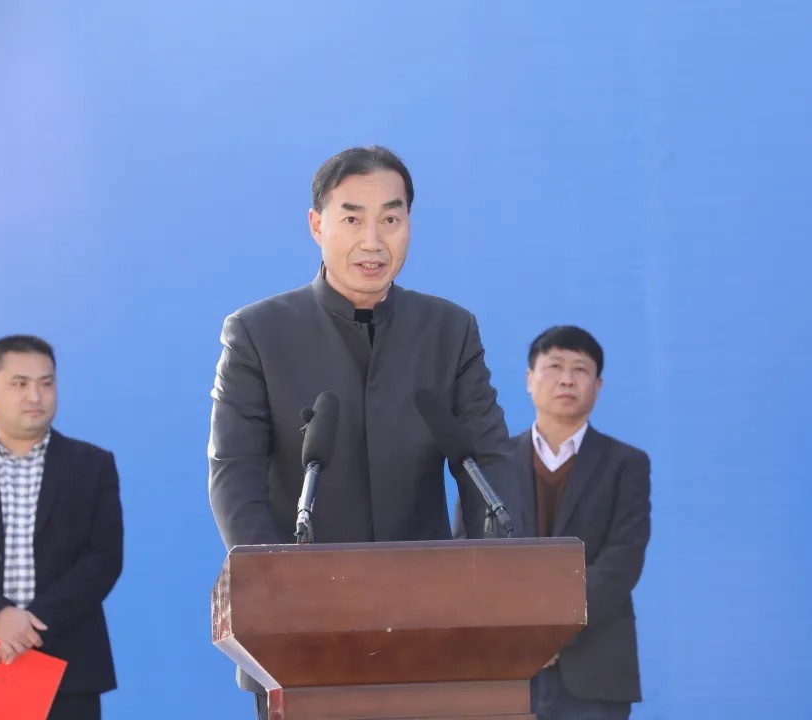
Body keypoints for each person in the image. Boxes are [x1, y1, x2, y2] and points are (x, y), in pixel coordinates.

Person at [208, 145, 519, 719]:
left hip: (431, 632)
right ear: (316, 225)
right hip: (301, 636)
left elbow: (488, 462)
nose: (373, 241)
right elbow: (234, 476)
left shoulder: (449, 331)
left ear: (409, 224)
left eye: (390, 219)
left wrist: (488, 583)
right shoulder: (257, 334)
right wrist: (277, 587)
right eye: (352, 219)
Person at [456, 325, 651, 720]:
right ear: (529, 379)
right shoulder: (488, 464)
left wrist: (555, 630)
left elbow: (622, 560)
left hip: (593, 666)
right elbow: (468, 555)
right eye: (555, 366)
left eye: (580, 369)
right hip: (505, 663)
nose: (567, 379)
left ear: (598, 385)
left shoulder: (626, 464)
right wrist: (523, 633)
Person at [0, 335, 124, 720]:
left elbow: (103, 559)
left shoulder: (92, 465)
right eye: (20, 383)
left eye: (46, 383)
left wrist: (31, 626)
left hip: (68, 665)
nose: (35, 396)